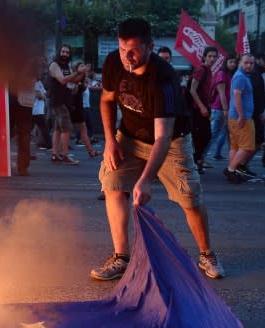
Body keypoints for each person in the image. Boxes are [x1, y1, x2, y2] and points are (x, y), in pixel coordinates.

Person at [90, 18, 224, 281]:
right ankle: (121, 257)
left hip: (171, 141)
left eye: (134, 50)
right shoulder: (114, 63)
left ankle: (207, 253)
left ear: (150, 46)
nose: (127, 56)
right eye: (121, 48)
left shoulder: (164, 78)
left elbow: (162, 137)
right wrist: (110, 141)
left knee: (189, 198)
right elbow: (106, 100)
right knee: (112, 183)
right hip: (129, 135)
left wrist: (145, 180)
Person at [48, 44, 86, 165]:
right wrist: (77, 72)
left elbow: (74, 81)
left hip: (65, 101)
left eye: (67, 52)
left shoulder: (67, 66)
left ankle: (55, 154)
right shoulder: (54, 65)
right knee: (67, 128)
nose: (64, 54)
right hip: (58, 101)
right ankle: (65, 155)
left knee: (58, 128)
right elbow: (63, 80)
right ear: (59, 52)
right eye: (63, 51)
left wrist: (82, 73)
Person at [224, 54, 257, 184]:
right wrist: (242, 115)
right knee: (247, 147)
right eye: (246, 63)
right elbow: (237, 96)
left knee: (235, 146)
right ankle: (231, 169)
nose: (249, 65)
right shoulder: (240, 77)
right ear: (240, 63)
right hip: (242, 117)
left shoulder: (240, 76)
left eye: (251, 63)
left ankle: (233, 170)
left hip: (235, 116)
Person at [188, 46, 218, 173]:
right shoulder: (201, 70)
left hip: (205, 107)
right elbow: (192, 90)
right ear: (205, 57)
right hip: (197, 109)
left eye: (214, 56)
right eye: (209, 56)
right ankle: (196, 161)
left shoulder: (209, 71)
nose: (212, 59)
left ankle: (197, 160)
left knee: (205, 136)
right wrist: (201, 107)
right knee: (200, 136)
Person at [209, 55, 237, 161]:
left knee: (227, 133)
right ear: (226, 62)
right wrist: (226, 109)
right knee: (214, 133)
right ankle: (199, 157)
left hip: (227, 108)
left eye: (234, 62)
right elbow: (222, 94)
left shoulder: (230, 74)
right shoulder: (222, 74)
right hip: (220, 108)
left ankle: (224, 155)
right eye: (230, 62)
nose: (233, 64)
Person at [71, 61, 100, 158]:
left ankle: (91, 151)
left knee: (83, 128)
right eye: (81, 66)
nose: (84, 68)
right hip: (76, 107)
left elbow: (83, 86)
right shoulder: (74, 79)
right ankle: (60, 152)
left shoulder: (83, 79)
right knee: (63, 129)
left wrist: (85, 75)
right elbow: (76, 90)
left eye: (84, 66)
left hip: (80, 106)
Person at [32, 68, 52, 150]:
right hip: (35, 110)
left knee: (42, 128)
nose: (41, 76)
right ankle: (49, 145)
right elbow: (38, 95)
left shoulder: (40, 83)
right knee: (44, 128)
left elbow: (45, 94)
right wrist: (43, 96)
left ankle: (44, 143)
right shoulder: (34, 83)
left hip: (39, 110)